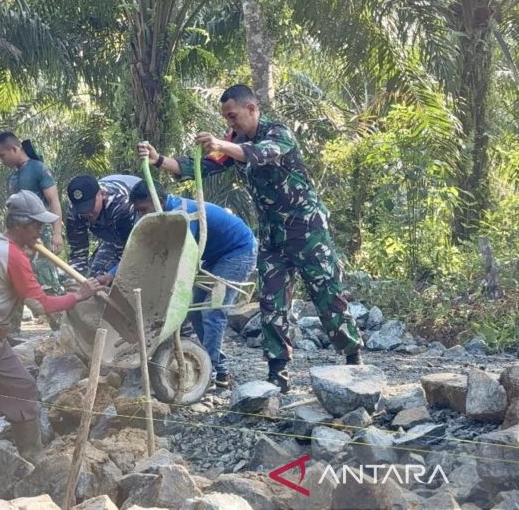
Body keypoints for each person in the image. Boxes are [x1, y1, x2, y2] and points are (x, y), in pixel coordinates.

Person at [137, 84, 363, 393]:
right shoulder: (234, 142)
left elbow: (256, 155)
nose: (230, 124)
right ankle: (278, 375)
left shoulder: (278, 135)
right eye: (226, 119)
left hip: (307, 230)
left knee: (328, 295)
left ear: (252, 109)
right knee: (272, 304)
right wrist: (159, 159)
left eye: (233, 117)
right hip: (272, 236)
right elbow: (197, 167)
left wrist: (219, 143)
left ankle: (353, 360)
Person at [0, 191, 102, 477]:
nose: (41, 230)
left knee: (22, 389)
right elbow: (40, 305)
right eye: (37, 225)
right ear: (20, 226)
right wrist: (80, 296)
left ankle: (32, 455)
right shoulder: (12, 255)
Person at [128, 180, 256, 388]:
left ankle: (210, 373)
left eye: (143, 209)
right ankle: (218, 369)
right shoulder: (158, 216)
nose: (141, 215)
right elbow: (144, 252)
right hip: (215, 255)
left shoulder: (183, 215)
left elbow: (184, 256)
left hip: (238, 251)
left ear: (157, 200)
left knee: (212, 311)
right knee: (194, 312)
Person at [0, 132, 66, 329]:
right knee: (13, 281)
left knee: (47, 280)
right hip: (19, 237)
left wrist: (57, 232)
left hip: (40, 233)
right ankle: (10, 331)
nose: (2, 160)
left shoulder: (38, 169)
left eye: (2, 155)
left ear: (15, 149)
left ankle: (61, 329)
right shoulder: (13, 176)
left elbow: (54, 201)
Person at [65, 174, 140, 282]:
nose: (88, 213)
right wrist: (74, 283)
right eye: (83, 209)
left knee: (123, 277)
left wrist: (111, 275)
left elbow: (126, 253)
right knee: (96, 276)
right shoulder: (74, 213)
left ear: (102, 194)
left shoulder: (121, 205)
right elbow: (78, 253)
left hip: (138, 233)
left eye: (90, 207)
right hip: (113, 236)